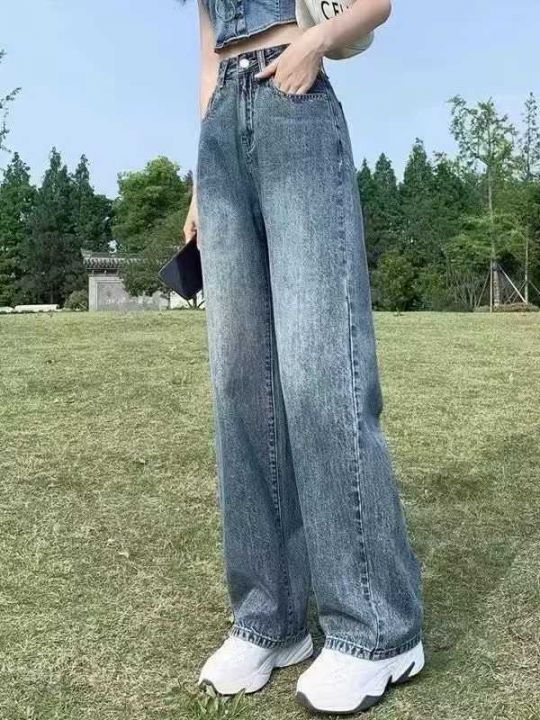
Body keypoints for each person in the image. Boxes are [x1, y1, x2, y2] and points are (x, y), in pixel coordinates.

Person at [183, 0, 424, 713]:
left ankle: (379, 629)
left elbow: (375, 3)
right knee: (239, 386)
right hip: (220, 137)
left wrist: (315, 43)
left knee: (321, 375)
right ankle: (270, 619)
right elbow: (207, 60)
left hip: (295, 104)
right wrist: (201, 180)